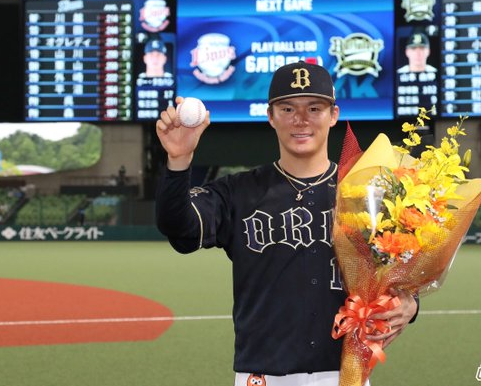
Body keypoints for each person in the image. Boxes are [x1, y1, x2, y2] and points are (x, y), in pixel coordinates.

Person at [155, 61, 418, 386]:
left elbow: (401, 265)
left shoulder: (366, 193)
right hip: (263, 374)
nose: (301, 119)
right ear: (270, 116)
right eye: (288, 108)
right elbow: (179, 227)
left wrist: (410, 302)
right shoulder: (238, 191)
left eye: (314, 108)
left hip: (346, 371)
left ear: (333, 115)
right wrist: (179, 160)